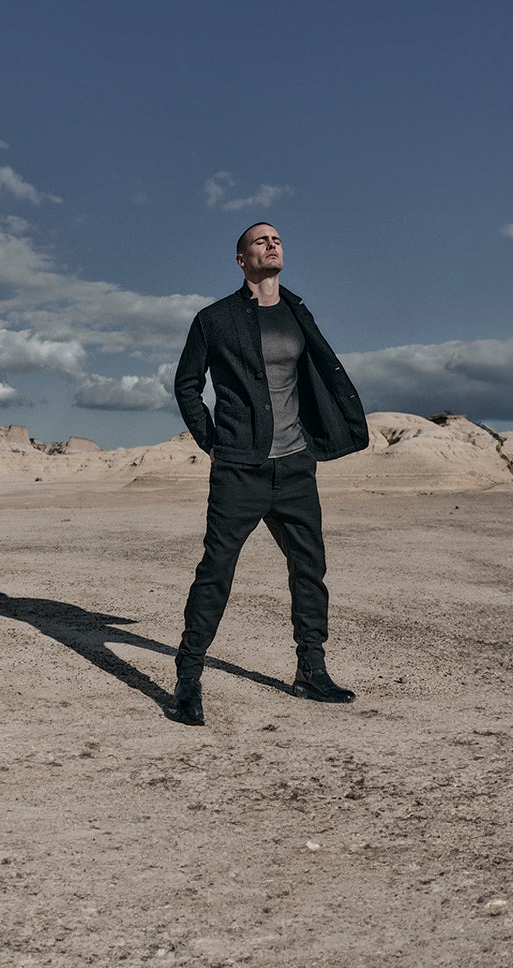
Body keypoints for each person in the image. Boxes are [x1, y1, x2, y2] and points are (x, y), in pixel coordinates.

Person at [167, 221, 369, 726]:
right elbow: (187, 384)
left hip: (296, 465)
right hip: (240, 467)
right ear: (242, 259)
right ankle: (188, 678)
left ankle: (311, 671)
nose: (272, 244)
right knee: (216, 571)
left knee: (309, 569)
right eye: (260, 240)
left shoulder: (297, 312)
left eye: (276, 239)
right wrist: (213, 441)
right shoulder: (214, 319)